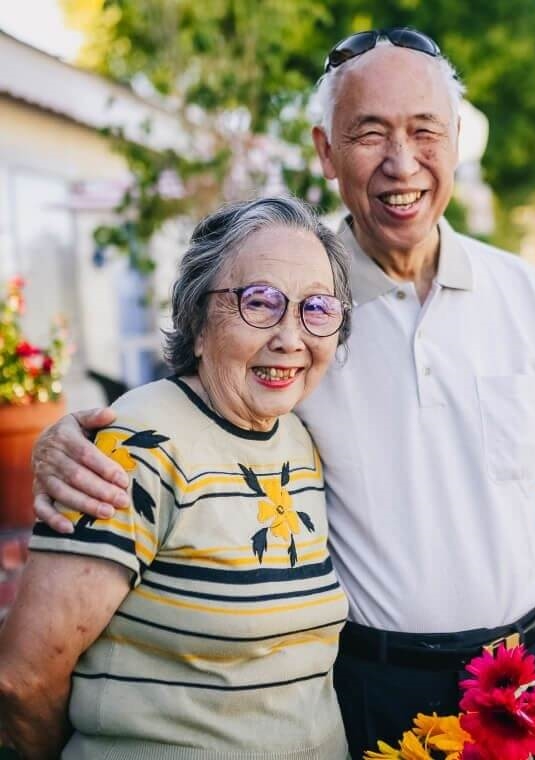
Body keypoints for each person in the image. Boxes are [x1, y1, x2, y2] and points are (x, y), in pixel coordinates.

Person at [30, 29, 535, 760]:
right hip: (368, 682)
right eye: (369, 134)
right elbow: (195, 391)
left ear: (457, 140)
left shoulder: (523, 291)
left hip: (522, 676)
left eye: (425, 131)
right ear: (325, 152)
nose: (402, 163)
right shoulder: (296, 301)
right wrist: (69, 439)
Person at [0, 197, 353, 759]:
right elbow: (22, 678)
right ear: (197, 322)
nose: (291, 336)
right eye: (259, 302)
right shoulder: (135, 446)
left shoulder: (299, 438)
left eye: (316, 308)